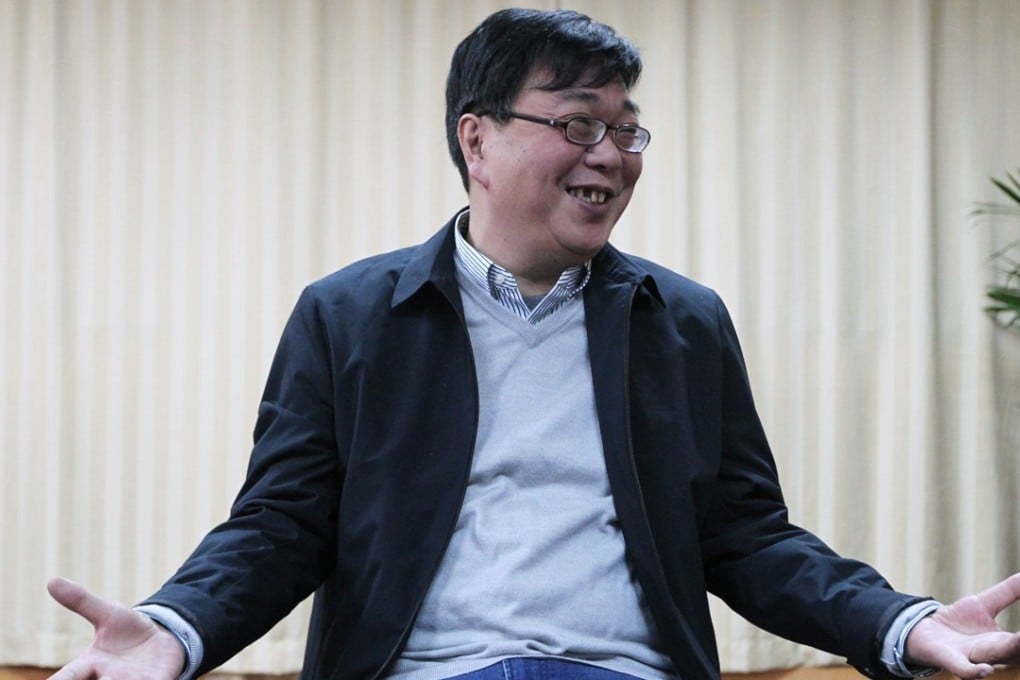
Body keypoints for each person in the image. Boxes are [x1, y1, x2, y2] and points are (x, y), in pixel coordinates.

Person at [46, 7, 1020, 680]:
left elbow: (748, 534)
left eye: (627, 132)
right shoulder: (350, 314)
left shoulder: (680, 322)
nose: (609, 156)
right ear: (477, 140)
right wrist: (175, 628)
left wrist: (897, 620)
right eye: (579, 123)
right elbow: (282, 525)